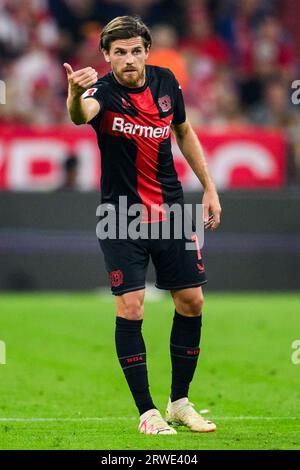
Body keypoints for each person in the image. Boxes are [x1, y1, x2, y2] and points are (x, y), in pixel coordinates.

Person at [64, 15, 221, 435]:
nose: (129, 59)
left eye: (136, 51)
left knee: (192, 302)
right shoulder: (100, 91)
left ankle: (180, 403)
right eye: (120, 52)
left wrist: (209, 187)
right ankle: (147, 412)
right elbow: (82, 114)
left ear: (147, 52)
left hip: (172, 213)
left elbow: (184, 132)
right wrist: (74, 94)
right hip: (121, 218)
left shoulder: (167, 83)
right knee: (131, 307)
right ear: (106, 56)